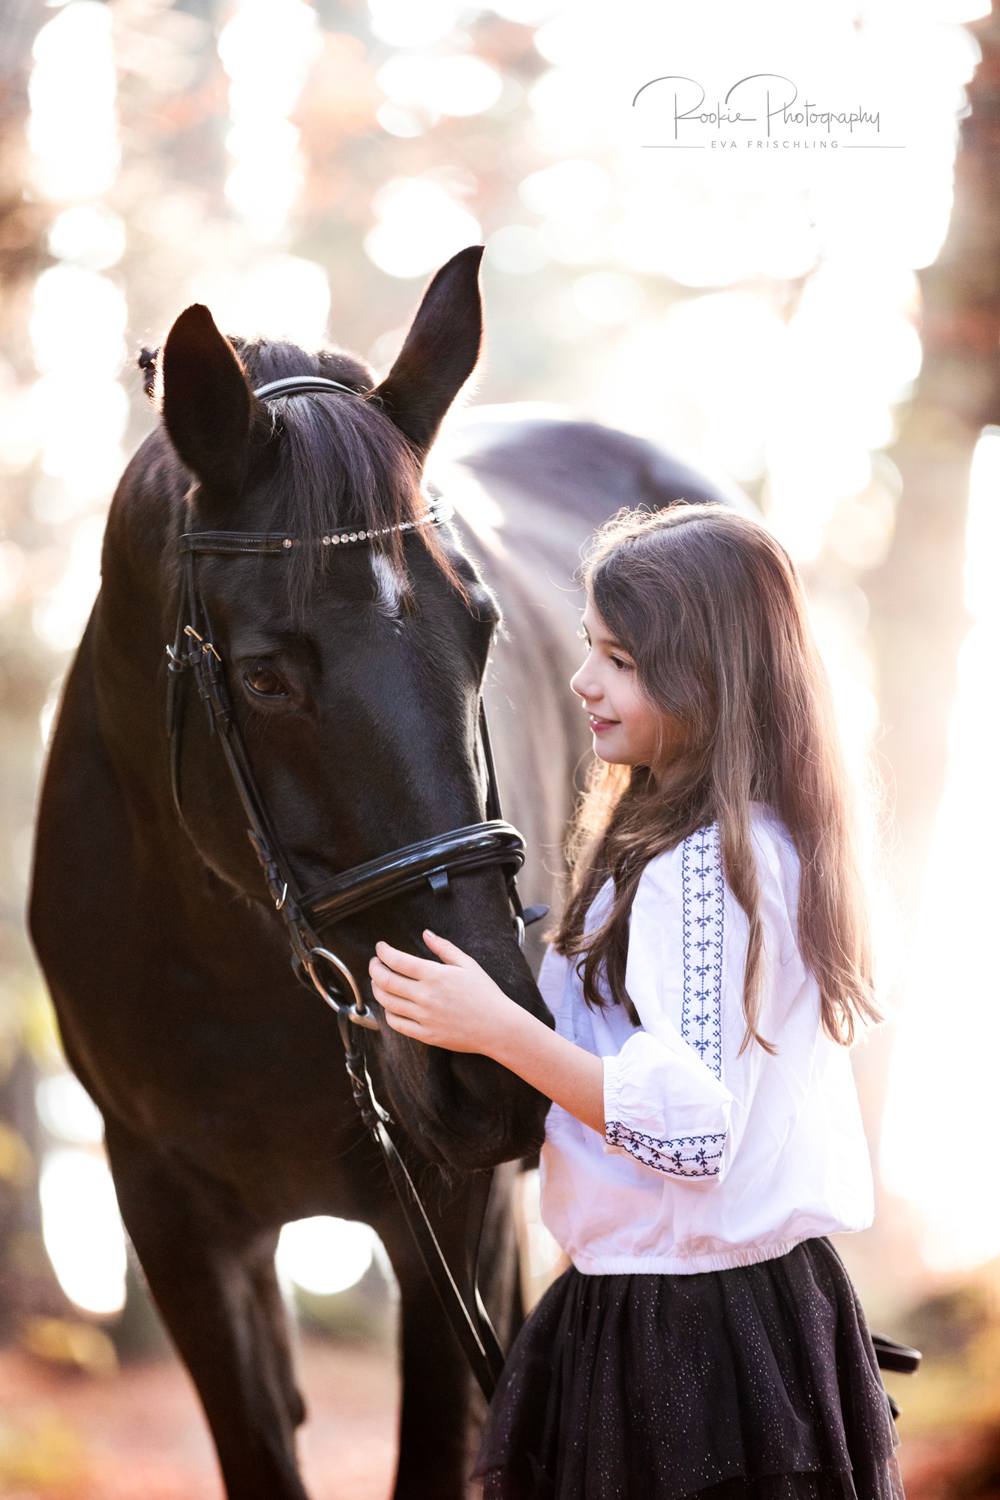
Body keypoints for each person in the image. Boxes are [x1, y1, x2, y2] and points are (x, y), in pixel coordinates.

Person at [369, 504, 902, 1500]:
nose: (582, 681)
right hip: (707, 1314)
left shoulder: (701, 871)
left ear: (706, 674)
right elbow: (623, 1064)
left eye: (617, 659)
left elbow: (692, 1134)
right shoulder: (718, 848)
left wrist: (498, 1028)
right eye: (589, 650)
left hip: (687, 1340)